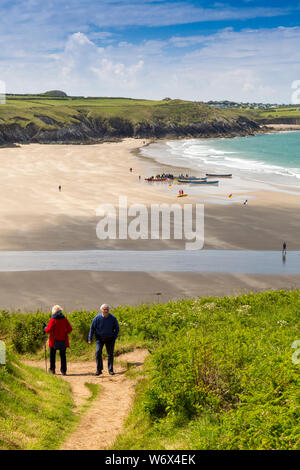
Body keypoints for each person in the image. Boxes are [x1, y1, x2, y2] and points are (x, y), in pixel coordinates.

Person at [88, 304, 119, 376]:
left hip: (110, 338)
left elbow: (117, 329)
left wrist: (114, 337)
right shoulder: (97, 318)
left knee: (110, 354)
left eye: (107, 309)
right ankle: (99, 370)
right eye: (104, 309)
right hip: (100, 338)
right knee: (98, 352)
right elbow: (92, 328)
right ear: (101, 310)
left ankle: (110, 370)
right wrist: (90, 339)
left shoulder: (112, 318)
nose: (106, 310)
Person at [44, 305, 72, 375]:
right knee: (63, 356)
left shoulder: (53, 320)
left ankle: (52, 370)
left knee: (52, 356)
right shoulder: (65, 319)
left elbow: (48, 330)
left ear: (54, 311)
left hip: (53, 341)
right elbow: (70, 329)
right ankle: (63, 371)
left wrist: (44, 328)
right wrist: (64, 332)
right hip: (63, 340)